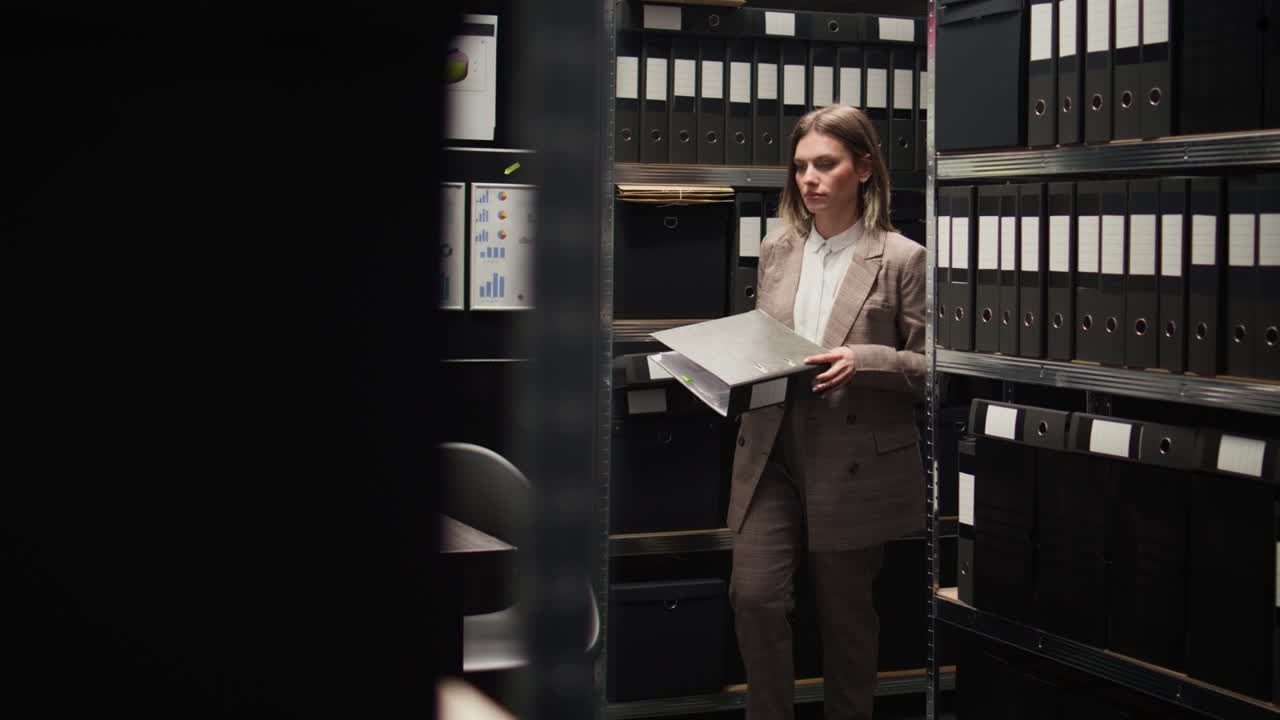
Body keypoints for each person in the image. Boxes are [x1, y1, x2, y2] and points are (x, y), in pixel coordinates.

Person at [728, 104, 926, 720]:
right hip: (773, 447)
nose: (809, 179)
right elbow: (765, 340)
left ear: (863, 167)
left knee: (846, 621)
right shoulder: (777, 249)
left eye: (825, 164)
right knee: (754, 597)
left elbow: (933, 368)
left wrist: (864, 358)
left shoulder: (902, 258)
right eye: (800, 168)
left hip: (852, 457)